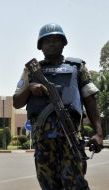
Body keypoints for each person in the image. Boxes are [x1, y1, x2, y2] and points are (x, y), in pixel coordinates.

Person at [13, 23, 103, 190]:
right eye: (47, 41)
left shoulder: (77, 67)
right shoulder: (31, 70)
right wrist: (30, 88)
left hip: (71, 140)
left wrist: (98, 133)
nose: (51, 44)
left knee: (76, 185)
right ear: (40, 46)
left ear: (63, 43)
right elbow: (17, 101)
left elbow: (90, 101)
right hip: (43, 143)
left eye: (56, 39)